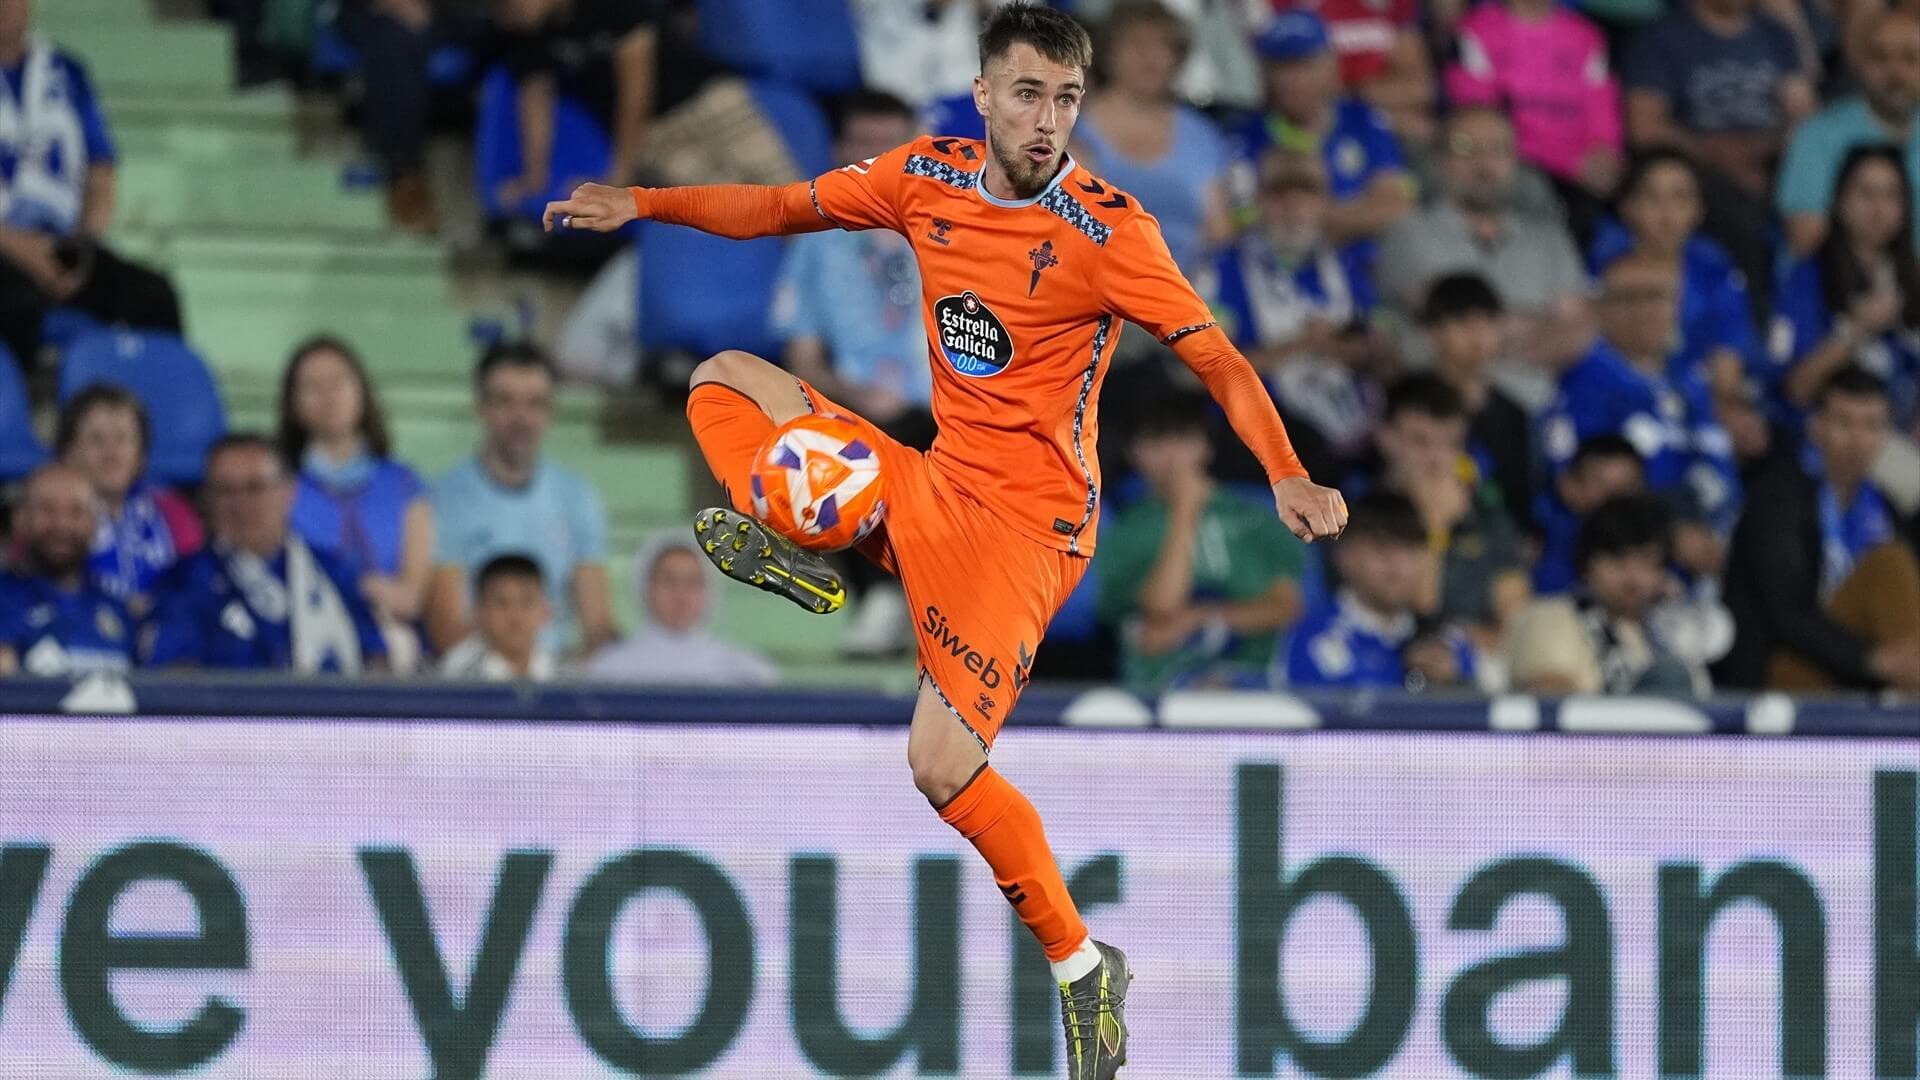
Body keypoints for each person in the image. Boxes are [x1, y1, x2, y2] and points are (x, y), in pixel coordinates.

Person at [542, 6, 1351, 1073]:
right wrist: (642, 202)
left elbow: (1220, 361)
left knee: (937, 764)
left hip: (1025, 539)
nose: (1047, 120)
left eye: (1066, 99)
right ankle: (805, 541)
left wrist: (1287, 470)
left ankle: (1079, 966)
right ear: (981, 96)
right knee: (723, 378)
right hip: (932, 483)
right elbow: (784, 206)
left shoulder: (1110, 235)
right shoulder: (927, 176)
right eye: (1027, 94)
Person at [0, 0, 182, 369]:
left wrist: (83, 245)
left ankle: (151, 413)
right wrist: (26, 252)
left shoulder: (67, 72)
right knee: (16, 304)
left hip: (64, 243)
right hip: (5, 246)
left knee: (153, 296)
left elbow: (101, 170)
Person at [1718, 365, 1920, 691]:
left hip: (1859, 669)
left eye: (1872, 426)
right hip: (1780, 669)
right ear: (1816, 427)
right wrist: (1871, 659)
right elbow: (1786, 615)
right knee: (1891, 563)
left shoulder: (1886, 508)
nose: (1858, 440)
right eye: (1844, 423)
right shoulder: (1778, 498)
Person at [1094, 392, 1306, 692]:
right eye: (1155, 443)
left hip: (1255, 683)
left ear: (1206, 447)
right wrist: (1185, 510)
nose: (1170, 456)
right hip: (1161, 686)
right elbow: (1162, 608)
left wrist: (1196, 619)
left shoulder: (1255, 519)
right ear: (1133, 452)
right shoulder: (1124, 529)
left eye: (1182, 440)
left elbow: (1285, 607)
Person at [426, 341, 616, 658]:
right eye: (505, 401)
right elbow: (447, 629)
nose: (521, 418)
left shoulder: (577, 497)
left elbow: (597, 625)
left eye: (535, 403)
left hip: (554, 677)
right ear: (481, 407)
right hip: (475, 678)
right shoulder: (446, 498)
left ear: (550, 412)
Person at [1201, 146, 1385, 473]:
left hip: (1350, 417)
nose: (1292, 208)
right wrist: (1303, 344)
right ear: (1259, 203)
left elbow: (1377, 346)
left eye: (1306, 195)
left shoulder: (1346, 264)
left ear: (1324, 203)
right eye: (1278, 195)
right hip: (1261, 427)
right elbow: (1209, 368)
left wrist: (1343, 348)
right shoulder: (1224, 269)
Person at [1375, 107, 1594, 380]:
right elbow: (1450, 317)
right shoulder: (1407, 234)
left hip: (1534, 407)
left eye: (1497, 148)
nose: (1484, 163)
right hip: (1442, 402)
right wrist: (1541, 325)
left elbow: (1576, 331)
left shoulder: (1550, 241)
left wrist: (1479, 333)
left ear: (1515, 160)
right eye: (1465, 148)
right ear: (1440, 161)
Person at [1621, 0, 1816, 301]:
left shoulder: (1775, 34)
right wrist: (1716, 155)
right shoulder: (1661, 37)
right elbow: (1645, 127)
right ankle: (1753, 329)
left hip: (1768, 161)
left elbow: (1802, 116)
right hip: (1697, 167)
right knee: (1741, 218)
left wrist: (1762, 153)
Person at [145, 435, 388, 673]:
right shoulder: (184, 580)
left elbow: (376, 664)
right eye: (225, 490)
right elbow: (175, 676)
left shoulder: (335, 573)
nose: (240, 505)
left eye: (255, 487)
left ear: (289, 491)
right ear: (208, 499)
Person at [1539, 254, 1743, 534]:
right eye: (1628, 298)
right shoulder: (1584, 386)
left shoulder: (1692, 378)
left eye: (1657, 297)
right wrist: (1671, 534)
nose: (1644, 310)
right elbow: (1579, 499)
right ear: (1601, 309)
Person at [277, 336, 434, 670]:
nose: (328, 397)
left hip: (397, 646)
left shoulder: (404, 484)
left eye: (339, 382)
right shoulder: (281, 489)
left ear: (361, 390)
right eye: (312, 387)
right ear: (292, 404)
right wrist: (367, 590)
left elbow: (413, 596)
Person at [1357, 373, 1531, 642]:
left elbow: (1513, 626)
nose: (1437, 460)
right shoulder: (1353, 515)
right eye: (1420, 442)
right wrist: (1434, 524)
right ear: (1386, 439)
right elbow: (1413, 614)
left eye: (1451, 445)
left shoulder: (1488, 519)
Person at [1229, 11, 1415, 259]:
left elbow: (1396, 206)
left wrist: (1310, 215)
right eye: (1283, 67)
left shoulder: (1364, 122)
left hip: (1363, 272)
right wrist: (1351, 213)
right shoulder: (1245, 138)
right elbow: (1245, 223)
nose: (1295, 80)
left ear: (1331, 65)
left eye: (1305, 64)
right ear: (1266, 73)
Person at [1070, 2, 1233, 274]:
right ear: (1110, 53)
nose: (1149, 58)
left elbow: (1220, 231)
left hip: (1190, 292)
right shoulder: (1073, 124)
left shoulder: (1202, 135)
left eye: (1162, 47)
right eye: (1136, 45)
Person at [1589, 150, 1763, 401]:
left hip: (1697, 409)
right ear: (1627, 206)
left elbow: (1727, 371)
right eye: (1652, 197)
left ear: (1698, 210)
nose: (1666, 213)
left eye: (1680, 198)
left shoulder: (1716, 271)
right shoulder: (1605, 268)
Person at [1769, 146, 1920, 435]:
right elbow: (1794, 389)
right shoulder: (1807, 278)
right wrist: (1856, 332)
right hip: (1826, 439)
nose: (1878, 209)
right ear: (1840, 201)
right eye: (1866, 194)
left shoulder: (1912, 280)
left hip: (1902, 439)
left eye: (1891, 196)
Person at [1445, 0, 1623, 237]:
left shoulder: (1586, 35)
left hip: (1579, 171)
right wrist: (1569, 162)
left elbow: (1602, 117)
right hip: (1512, 163)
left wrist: (1605, 156)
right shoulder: (1475, 30)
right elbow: (1482, 126)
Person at [1506, 492, 1704, 695]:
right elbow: (1549, 703)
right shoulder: (1550, 618)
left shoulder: (1673, 633)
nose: (1633, 579)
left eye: (1647, 564)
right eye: (1618, 562)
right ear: (1587, 563)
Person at [1279, 489, 1477, 690]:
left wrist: (1454, 682)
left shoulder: (1448, 641)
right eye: (1382, 549)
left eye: (1410, 550)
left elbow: (1481, 711)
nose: (1399, 566)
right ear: (1345, 556)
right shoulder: (1313, 637)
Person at [1776, 8, 1920, 255]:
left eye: (1910, 58)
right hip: (1848, 284)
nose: (1895, 73)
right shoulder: (1818, 135)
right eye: (1881, 57)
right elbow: (1806, 238)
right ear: (1861, 64)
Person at [53, 385, 202, 617]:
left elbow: (198, 585)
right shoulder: (49, 513)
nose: (111, 452)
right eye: (96, 439)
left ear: (141, 454)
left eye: (123, 439)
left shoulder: (173, 512)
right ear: (68, 453)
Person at [579, 533, 780, 686]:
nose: (681, 593)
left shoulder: (747, 673)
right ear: (644, 586)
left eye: (692, 581)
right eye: (669, 580)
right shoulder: (609, 671)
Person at [1420, 273, 1533, 529]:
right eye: (1462, 322)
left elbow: (1520, 494)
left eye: (1488, 322)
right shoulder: (1409, 403)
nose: (1478, 335)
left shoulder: (1515, 412)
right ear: (1432, 332)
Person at [0, 464, 134, 676]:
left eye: (76, 512)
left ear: (95, 524)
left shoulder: (118, 610)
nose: (62, 525)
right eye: (47, 510)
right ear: (20, 519)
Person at [1532, 434, 1647, 593]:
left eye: (1625, 489)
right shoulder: (1554, 547)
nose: (1613, 502)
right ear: (1569, 486)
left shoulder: (1661, 543)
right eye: (1602, 486)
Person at [438, 553, 556, 681]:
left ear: (546, 611)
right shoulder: (456, 678)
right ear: (479, 612)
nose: (515, 616)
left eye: (527, 602)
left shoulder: (564, 674)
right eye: (502, 603)